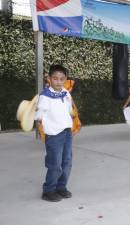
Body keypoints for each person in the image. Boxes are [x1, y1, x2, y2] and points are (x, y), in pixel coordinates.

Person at [35, 65, 74, 202]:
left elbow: (70, 110)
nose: (58, 81)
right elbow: (39, 115)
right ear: (49, 79)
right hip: (53, 135)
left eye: (62, 79)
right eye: (55, 78)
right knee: (55, 164)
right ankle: (48, 190)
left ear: (65, 80)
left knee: (67, 162)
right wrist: (40, 127)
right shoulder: (45, 96)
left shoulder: (66, 93)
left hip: (67, 132)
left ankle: (61, 187)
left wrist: (71, 124)